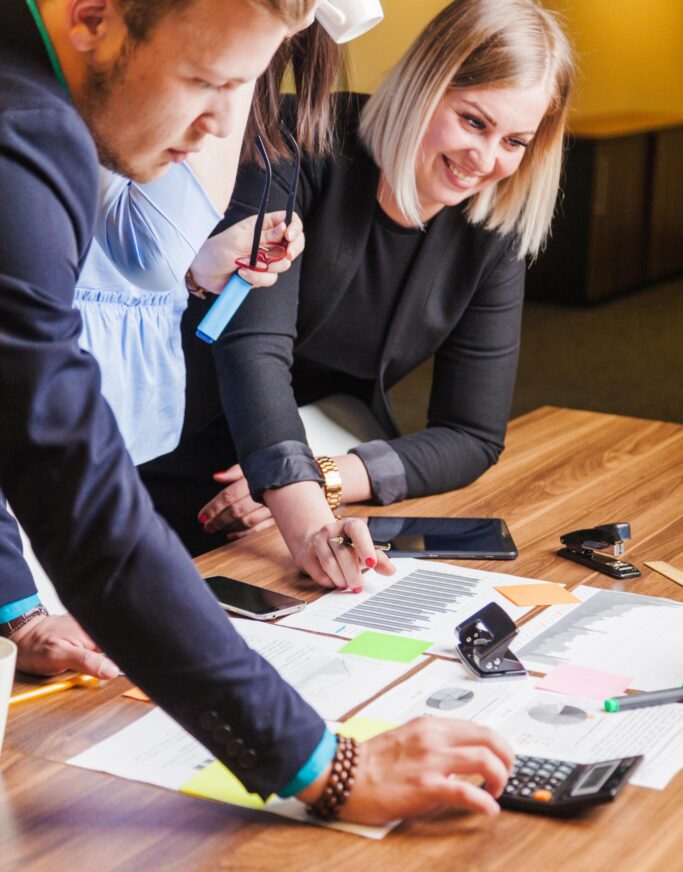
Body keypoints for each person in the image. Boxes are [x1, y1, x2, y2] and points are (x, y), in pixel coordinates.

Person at [0, 0, 513, 825]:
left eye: (240, 90)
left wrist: (15, 607)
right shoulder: (25, 131)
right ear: (91, 16)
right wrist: (326, 764)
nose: (213, 132)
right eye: (205, 82)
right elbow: (71, 481)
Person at [143, 0, 573, 598]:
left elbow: (472, 436)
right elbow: (254, 347)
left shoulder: (490, 230)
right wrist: (306, 510)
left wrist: (324, 478)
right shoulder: (300, 137)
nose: (485, 160)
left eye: (516, 140)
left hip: (295, 488)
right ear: (425, 84)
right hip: (177, 465)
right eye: (474, 121)